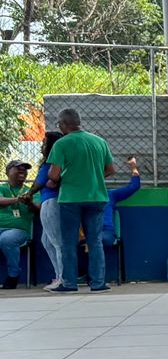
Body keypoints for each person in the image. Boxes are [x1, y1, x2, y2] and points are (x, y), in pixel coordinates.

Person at [42, 109, 114, 294]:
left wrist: (62, 178)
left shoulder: (62, 144)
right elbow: (110, 169)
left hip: (71, 198)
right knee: (95, 241)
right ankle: (98, 283)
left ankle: (69, 283)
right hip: (97, 197)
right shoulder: (99, 141)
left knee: (68, 242)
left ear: (64, 124)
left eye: (59, 124)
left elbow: (54, 175)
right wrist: (92, 177)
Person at [24, 130, 63, 287]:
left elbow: (38, 183)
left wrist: (29, 193)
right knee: (46, 241)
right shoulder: (56, 163)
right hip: (50, 201)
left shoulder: (50, 164)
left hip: (52, 202)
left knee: (57, 241)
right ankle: (59, 275)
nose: (41, 147)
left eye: (44, 144)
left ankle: (63, 278)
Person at [0, 159, 33, 289]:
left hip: (19, 230)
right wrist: (18, 199)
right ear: (8, 172)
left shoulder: (31, 191)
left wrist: (29, 202)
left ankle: (13, 275)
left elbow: (38, 209)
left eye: (24, 169)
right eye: (17, 168)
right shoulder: (1, 188)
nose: (22, 170)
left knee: (7, 239)